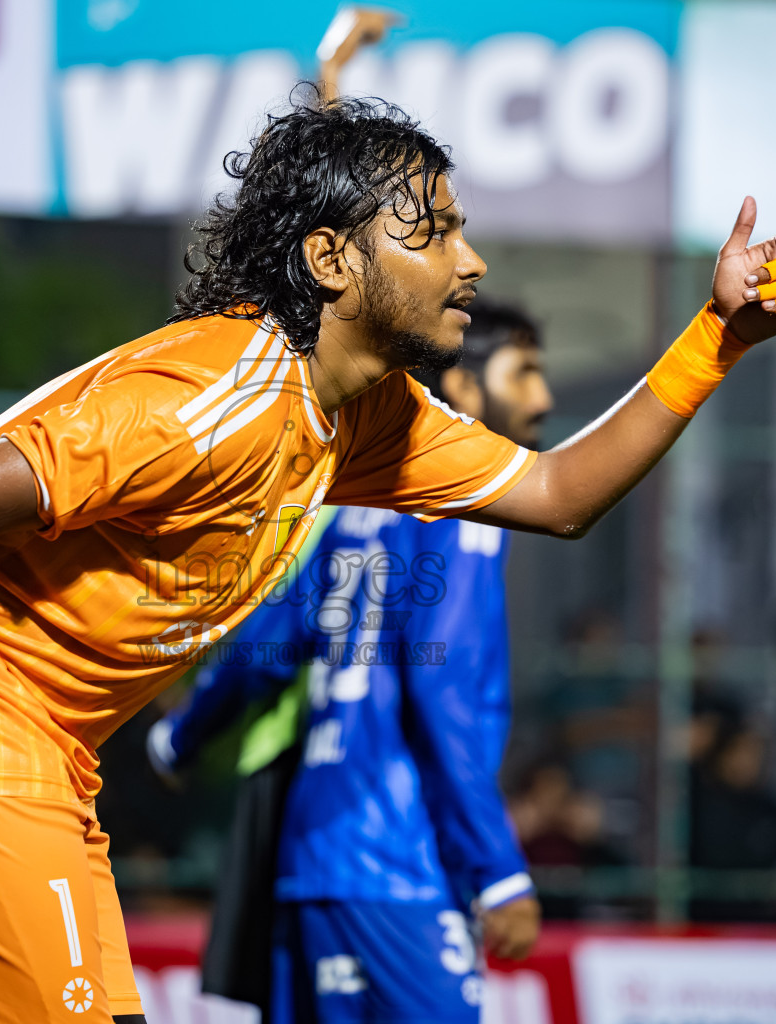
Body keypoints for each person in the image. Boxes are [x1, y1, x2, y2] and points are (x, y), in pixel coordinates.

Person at [0, 94, 776, 1022]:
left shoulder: (371, 423)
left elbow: (562, 493)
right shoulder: (213, 398)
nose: (469, 263)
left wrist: (717, 338)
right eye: (432, 231)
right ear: (330, 258)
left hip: (30, 757)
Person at [147, 300, 551, 1022]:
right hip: (397, 863)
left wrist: (181, 736)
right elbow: (441, 693)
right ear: (462, 390)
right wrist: (497, 872)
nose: (543, 398)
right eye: (523, 375)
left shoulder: (361, 505)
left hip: (310, 854)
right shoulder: (470, 505)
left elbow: (268, 643)